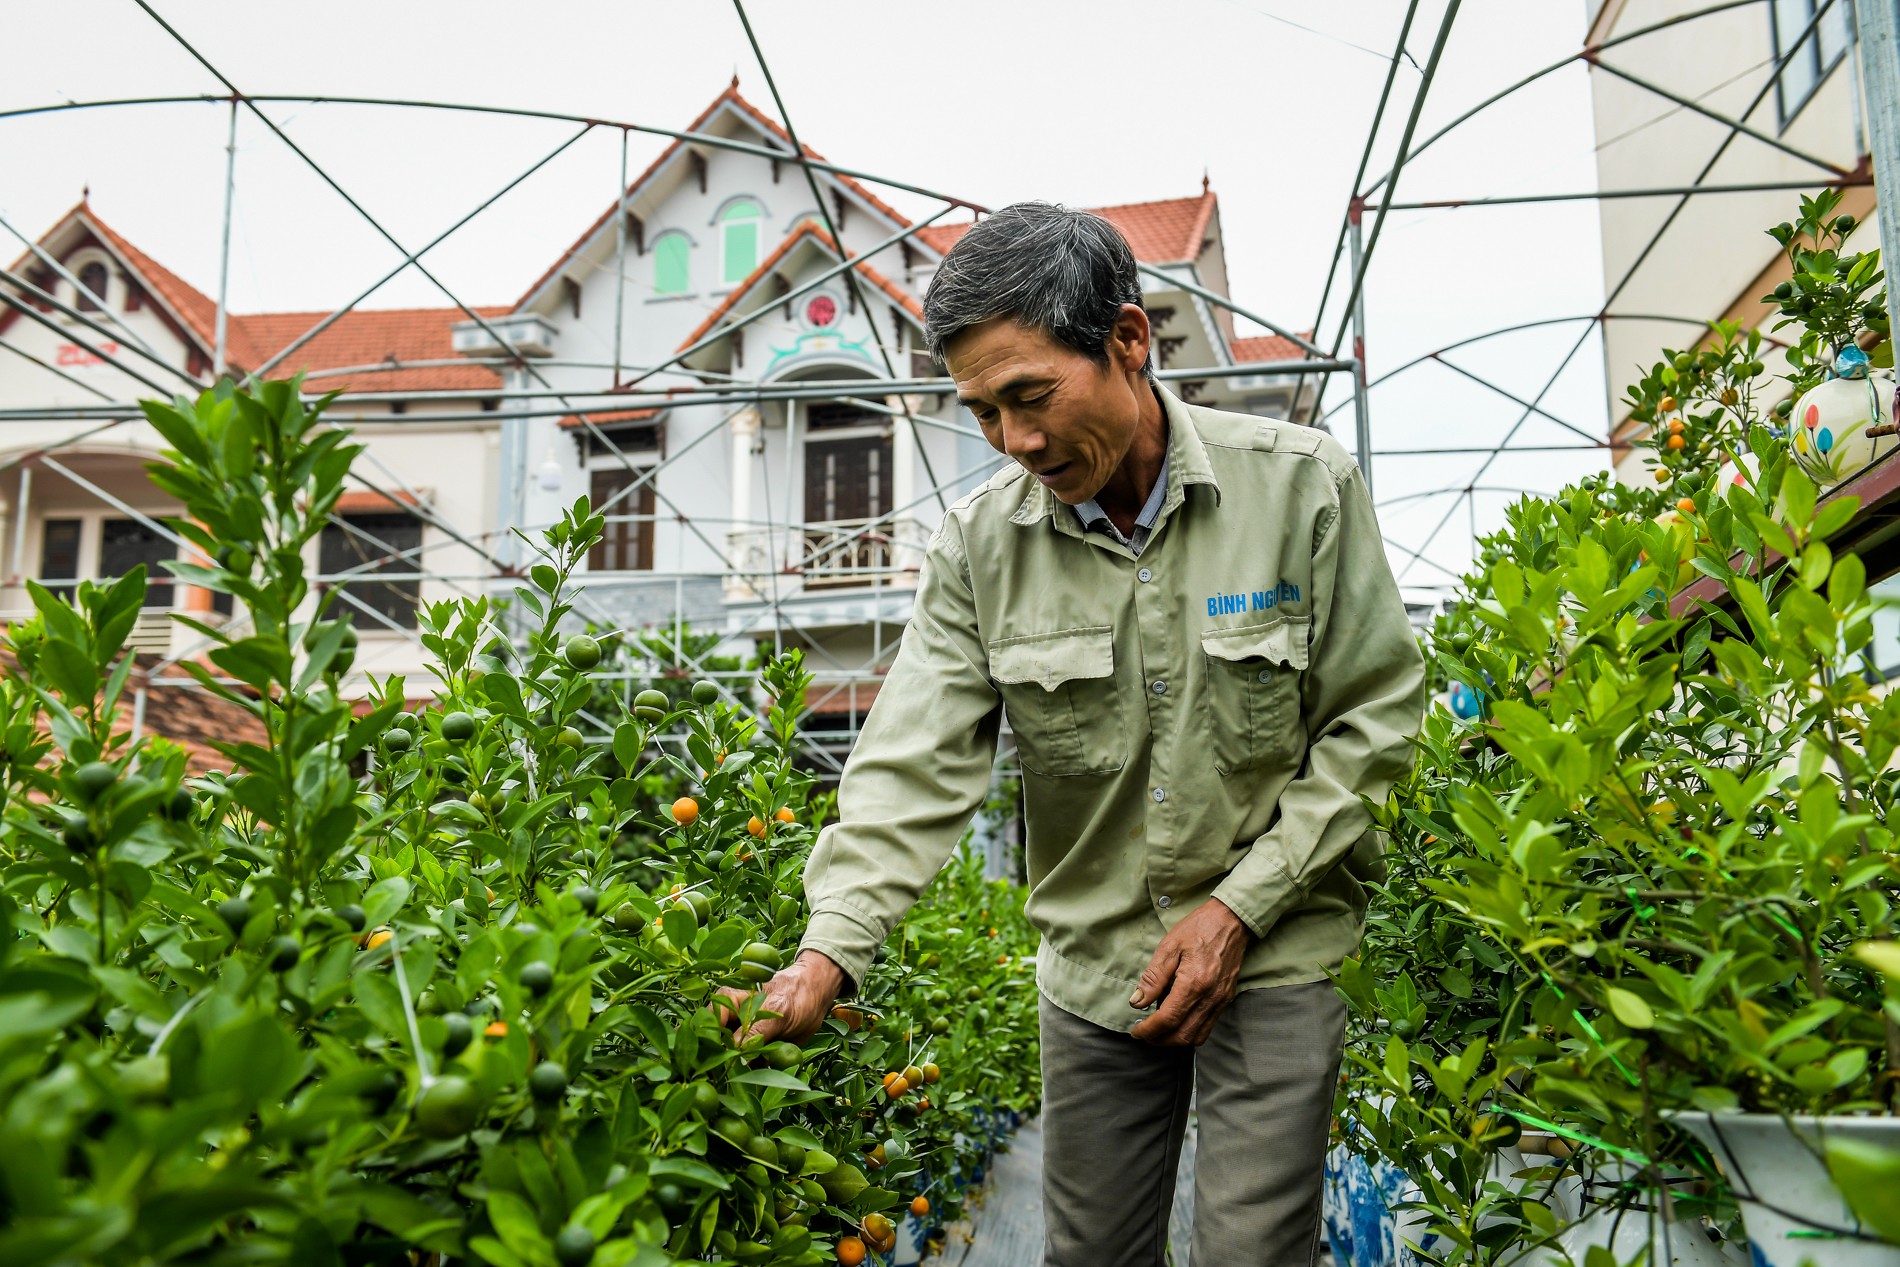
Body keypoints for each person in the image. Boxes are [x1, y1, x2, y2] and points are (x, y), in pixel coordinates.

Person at [718, 201, 1427, 1266]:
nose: (1017, 441)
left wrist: (1237, 907)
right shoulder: (979, 547)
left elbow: (1372, 720)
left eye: (1030, 396)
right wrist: (828, 951)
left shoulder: (1299, 486)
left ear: (1129, 343)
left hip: (1277, 951)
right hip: (1098, 974)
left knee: (1251, 1252)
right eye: (983, 413)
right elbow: (911, 764)